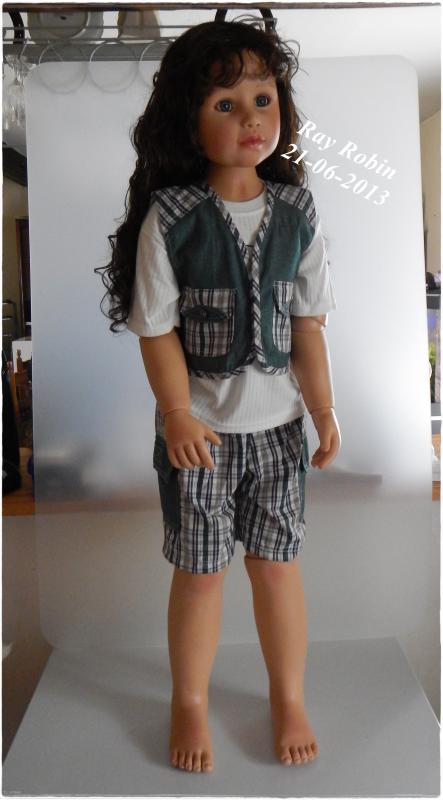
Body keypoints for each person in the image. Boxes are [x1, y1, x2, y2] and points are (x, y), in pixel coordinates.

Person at [97, 19, 341, 774]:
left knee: (276, 567)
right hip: (200, 433)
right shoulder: (172, 218)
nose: (250, 119)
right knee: (201, 576)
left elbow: (308, 326)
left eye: (262, 99)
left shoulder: (297, 214)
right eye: (224, 104)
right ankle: (191, 699)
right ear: (188, 117)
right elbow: (156, 330)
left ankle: (288, 695)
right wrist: (175, 414)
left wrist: (324, 410)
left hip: (280, 432)